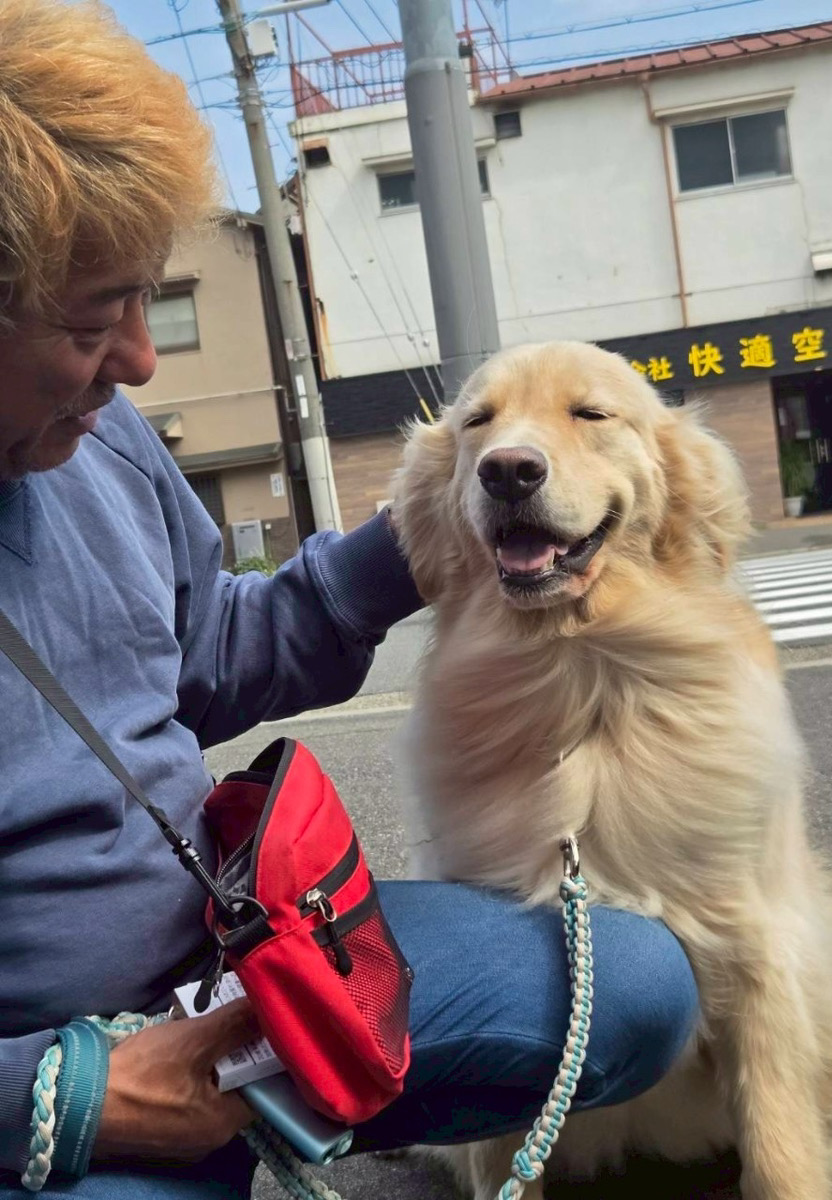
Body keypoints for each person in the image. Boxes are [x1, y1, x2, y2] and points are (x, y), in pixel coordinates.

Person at [0, 2, 699, 1196]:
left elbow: (212, 652)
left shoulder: (100, 443)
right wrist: (59, 1094)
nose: (138, 360)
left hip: (239, 966)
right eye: (86, 320)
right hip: (61, 1074)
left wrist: (426, 530)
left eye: (142, 298)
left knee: (633, 986)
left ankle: (250, 1122)